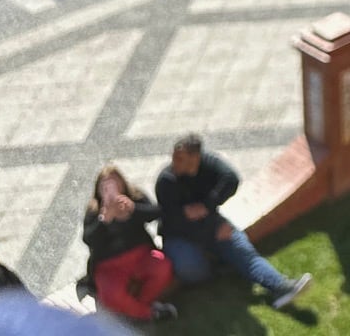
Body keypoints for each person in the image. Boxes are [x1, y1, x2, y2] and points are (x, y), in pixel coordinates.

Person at [155, 134, 311, 309]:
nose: (176, 163)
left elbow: (231, 178)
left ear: (197, 157)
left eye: (183, 160)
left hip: (210, 224)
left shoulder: (207, 163)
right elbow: (175, 222)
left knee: (243, 251)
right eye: (175, 158)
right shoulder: (166, 182)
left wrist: (207, 206)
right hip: (179, 235)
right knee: (191, 268)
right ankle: (220, 266)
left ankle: (281, 286)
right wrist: (212, 231)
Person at [83, 164, 177, 321]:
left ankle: (140, 304)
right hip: (109, 264)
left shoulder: (135, 197)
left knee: (163, 267)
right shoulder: (94, 210)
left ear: (122, 182)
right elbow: (88, 239)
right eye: (105, 185)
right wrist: (104, 220)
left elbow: (156, 213)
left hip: (140, 255)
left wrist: (133, 209)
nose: (111, 188)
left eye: (114, 182)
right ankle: (149, 313)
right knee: (110, 295)